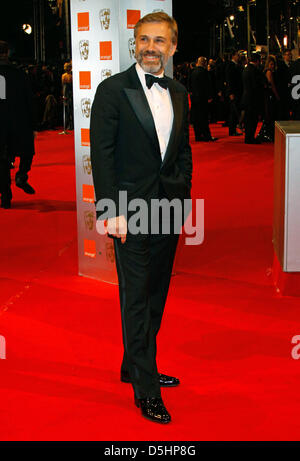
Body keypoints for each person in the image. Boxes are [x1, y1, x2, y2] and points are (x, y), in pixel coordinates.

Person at [90, 12, 192, 424]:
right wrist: (111, 211)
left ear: (172, 47)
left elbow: (182, 150)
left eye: (160, 41)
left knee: (155, 294)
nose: (151, 47)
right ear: (135, 44)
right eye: (144, 40)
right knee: (135, 297)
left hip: (167, 209)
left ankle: (134, 363)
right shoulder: (113, 90)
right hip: (129, 213)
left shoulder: (181, 91)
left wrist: (182, 194)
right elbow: (103, 155)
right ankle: (145, 390)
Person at [0, 41, 36, 206]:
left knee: (2, 160)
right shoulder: (20, 74)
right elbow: (30, 100)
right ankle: (22, 175)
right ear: (8, 53)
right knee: (26, 151)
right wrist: (33, 123)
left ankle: (6, 195)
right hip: (19, 121)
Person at [190, 56, 217, 142]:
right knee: (204, 118)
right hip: (203, 98)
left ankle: (198, 136)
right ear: (204, 63)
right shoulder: (205, 72)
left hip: (194, 98)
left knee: (196, 119)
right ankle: (206, 135)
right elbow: (208, 86)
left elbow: (189, 85)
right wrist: (209, 97)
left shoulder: (192, 72)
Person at [241, 53, 265, 144]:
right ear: (258, 61)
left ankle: (248, 137)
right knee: (253, 119)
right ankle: (250, 137)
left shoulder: (245, 69)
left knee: (248, 119)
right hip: (253, 98)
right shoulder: (255, 70)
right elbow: (257, 85)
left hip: (246, 97)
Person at [225, 50, 243, 136]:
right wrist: (231, 92)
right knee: (233, 111)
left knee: (235, 111)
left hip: (236, 91)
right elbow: (230, 80)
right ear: (233, 56)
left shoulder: (236, 65)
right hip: (233, 91)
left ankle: (233, 129)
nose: (238, 57)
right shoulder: (230, 66)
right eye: (237, 55)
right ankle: (232, 130)